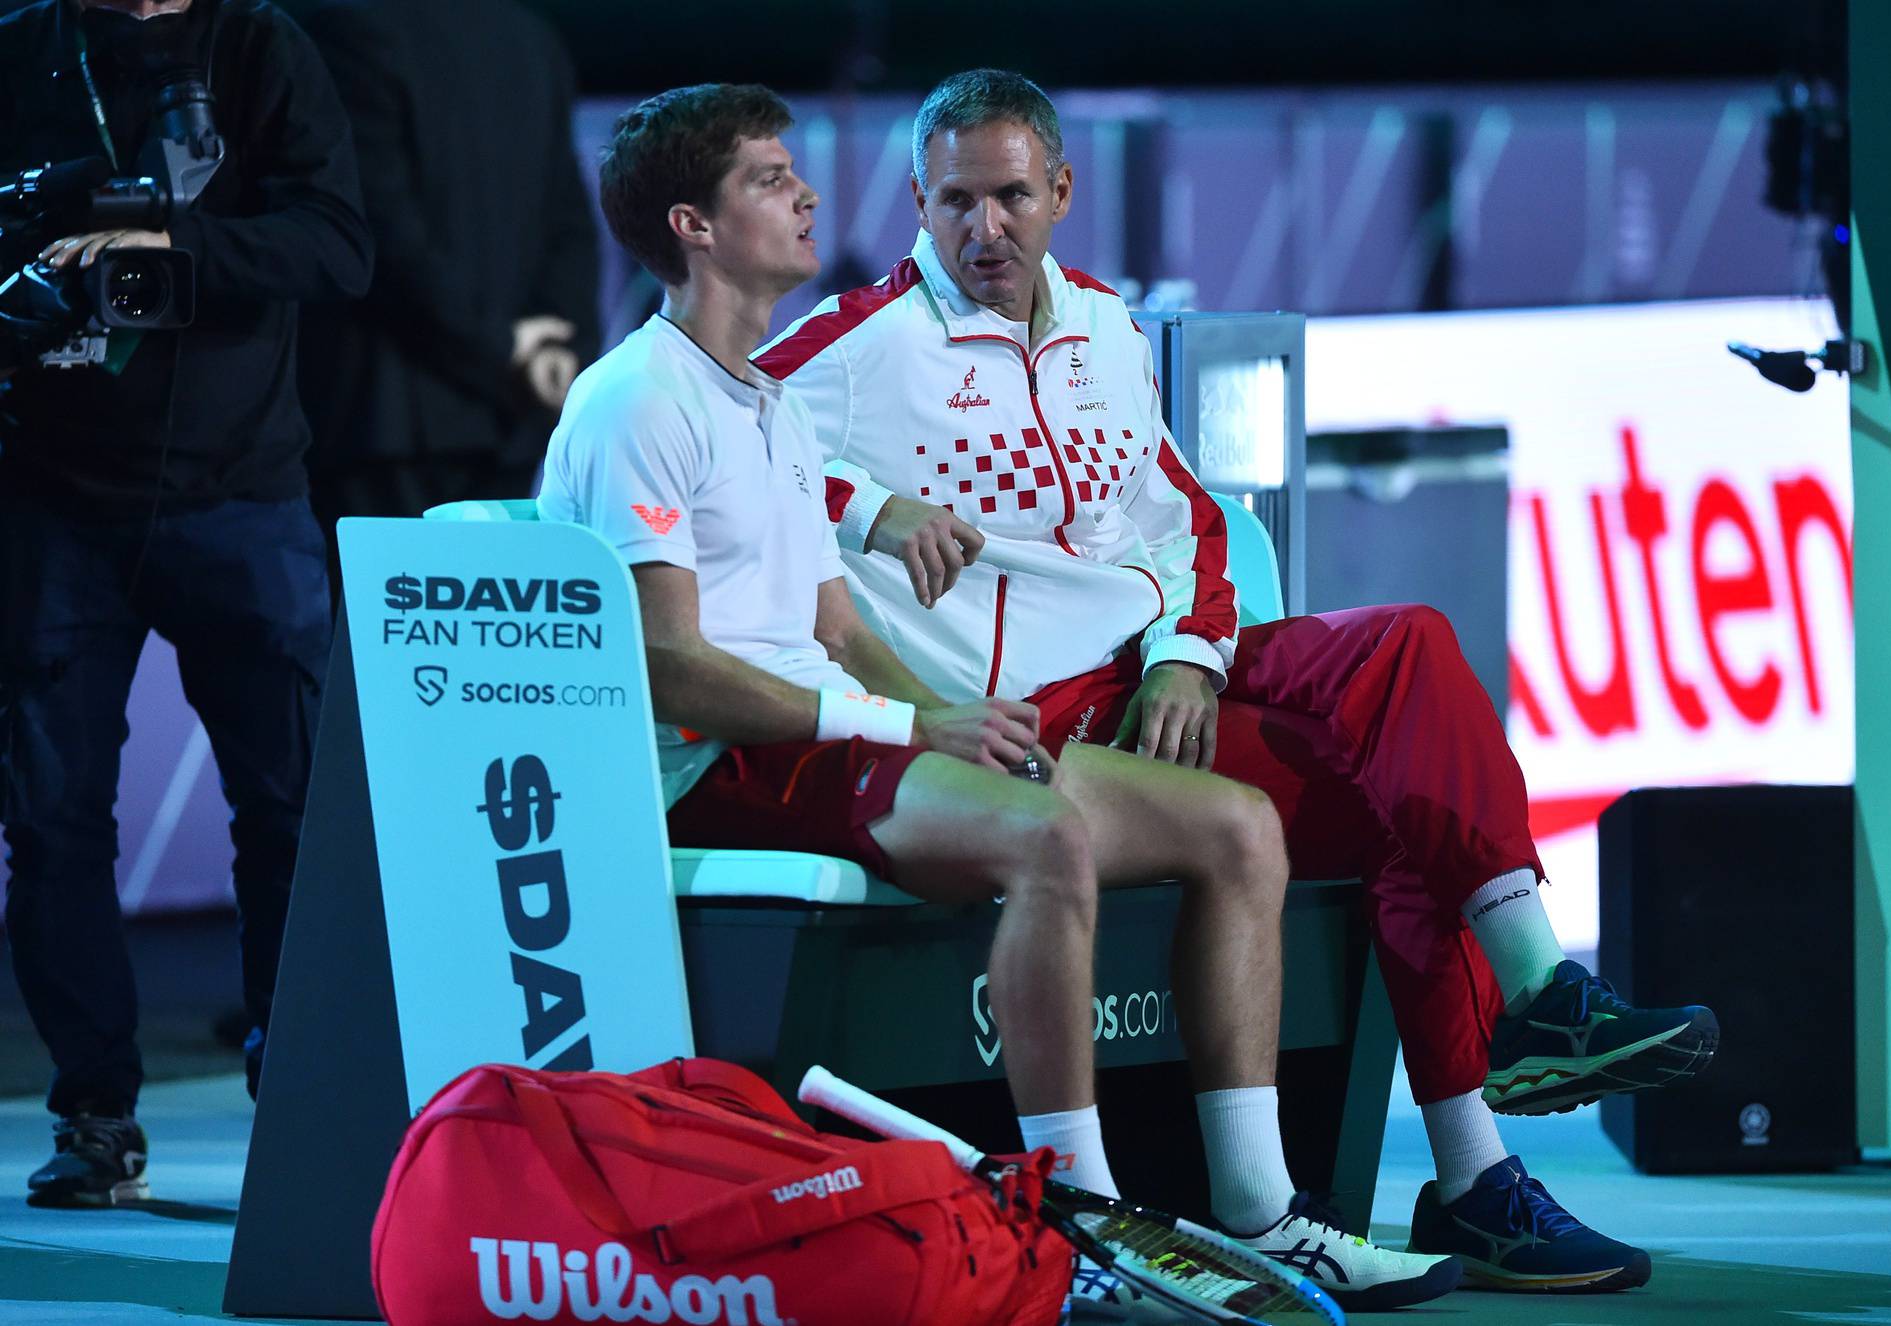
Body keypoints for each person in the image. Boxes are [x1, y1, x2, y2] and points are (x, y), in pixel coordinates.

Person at [758, 67, 1720, 1294]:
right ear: (915, 199)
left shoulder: (1105, 328)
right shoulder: (853, 346)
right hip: (1018, 726)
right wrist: (871, 507)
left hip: (1143, 686)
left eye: (1009, 197)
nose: (981, 230)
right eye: (953, 202)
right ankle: (1449, 1164)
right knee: (1377, 793)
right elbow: (709, 432)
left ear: (1060, 191)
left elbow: (1192, 526)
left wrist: (1184, 656)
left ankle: (1518, 1048)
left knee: (1407, 665)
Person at [537, 82, 1458, 1311]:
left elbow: (831, 622)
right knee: (1050, 836)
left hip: (829, 736)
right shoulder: (635, 399)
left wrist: (945, 713)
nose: (807, 196)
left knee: (1240, 828)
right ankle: (1078, 1226)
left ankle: (1262, 1210)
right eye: (769, 179)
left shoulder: (758, 398)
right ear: (693, 226)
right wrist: (911, 722)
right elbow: (669, 664)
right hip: (724, 763)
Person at [0, 0, 371, 1206]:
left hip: (240, 490)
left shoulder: (258, 45)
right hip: (51, 493)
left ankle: (292, 1088)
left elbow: (335, 247)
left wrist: (165, 249)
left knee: (288, 812)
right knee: (52, 826)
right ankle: (94, 1113)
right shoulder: (19, 47)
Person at [297, 0, 602, 592]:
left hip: (387, 422)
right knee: (480, 670)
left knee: (375, 667)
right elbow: (568, 225)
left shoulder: (342, 25)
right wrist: (556, 355)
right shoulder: (530, 35)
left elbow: (376, 230)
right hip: (507, 416)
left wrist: (504, 348)